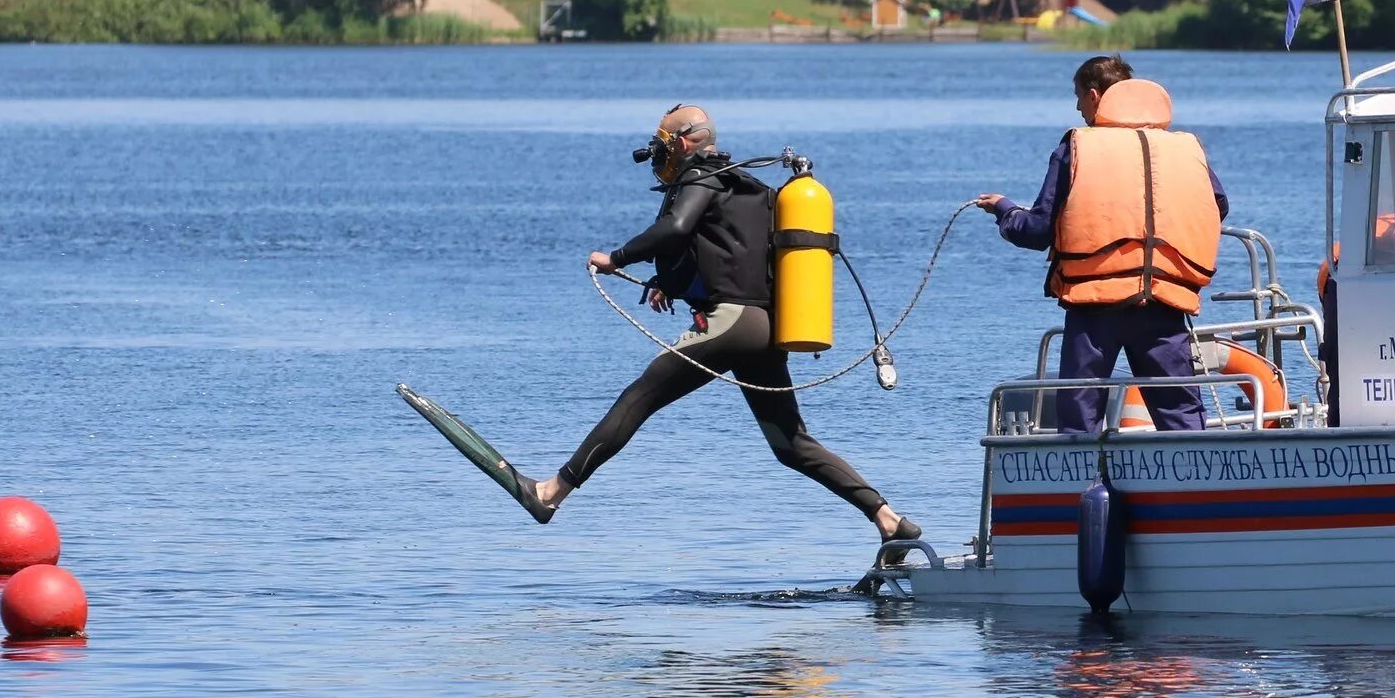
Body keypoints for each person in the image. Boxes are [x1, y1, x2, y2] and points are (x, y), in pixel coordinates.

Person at [509, 105, 920, 556]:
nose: (659, 157)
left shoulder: (699, 177)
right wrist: (669, 281)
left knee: (639, 397)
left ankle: (550, 494)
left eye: (663, 146)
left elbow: (676, 227)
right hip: (765, 328)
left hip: (731, 323)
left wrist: (617, 257)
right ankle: (886, 517)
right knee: (792, 444)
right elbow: (728, 252)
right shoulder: (749, 188)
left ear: (684, 142)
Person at [977, 57, 1228, 433]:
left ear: (1094, 95)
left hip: (1095, 309)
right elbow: (1218, 206)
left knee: (1080, 419)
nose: (1078, 108)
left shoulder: (1076, 148)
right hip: (1164, 299)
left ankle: (1078, 486)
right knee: (1181, 416)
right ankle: (1195, 485)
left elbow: (1037, 230)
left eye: (1079, 97)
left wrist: (1005, 211)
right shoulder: (1185, 148)